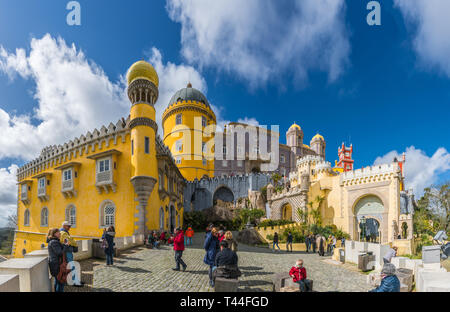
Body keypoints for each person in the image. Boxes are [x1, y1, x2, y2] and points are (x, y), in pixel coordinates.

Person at [60, 221, 82, 286]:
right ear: (64, 226)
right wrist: (75, 244)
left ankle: (72, 280)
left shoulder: (64, 232)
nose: (69, 228)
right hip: (67, 252)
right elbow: (69, 241)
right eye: (68, 226)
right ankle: (75, 281)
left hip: (66, 251)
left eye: (70, 226)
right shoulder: (63, 233)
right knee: (72, 266)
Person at [47, 228, 70, 292]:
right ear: (54, 234)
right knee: (60, 282)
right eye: (58, 232)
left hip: (56, 264)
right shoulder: (54, 242)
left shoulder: (54, 241)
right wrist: (65, 246)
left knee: (58, 281)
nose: (60, 233)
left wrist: (64, 245)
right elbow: (59, 253)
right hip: (57, 264)